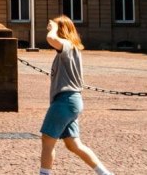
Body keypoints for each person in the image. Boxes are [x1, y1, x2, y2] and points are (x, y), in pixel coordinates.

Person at [39, 16, 114, 175]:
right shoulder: (71, 48)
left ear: (62, 31)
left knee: (47, 140)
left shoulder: (66, 45)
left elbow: (51, 38)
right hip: (72, 101)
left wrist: (53, 28)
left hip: (65, 101)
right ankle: (105, 174)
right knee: (73, 144)